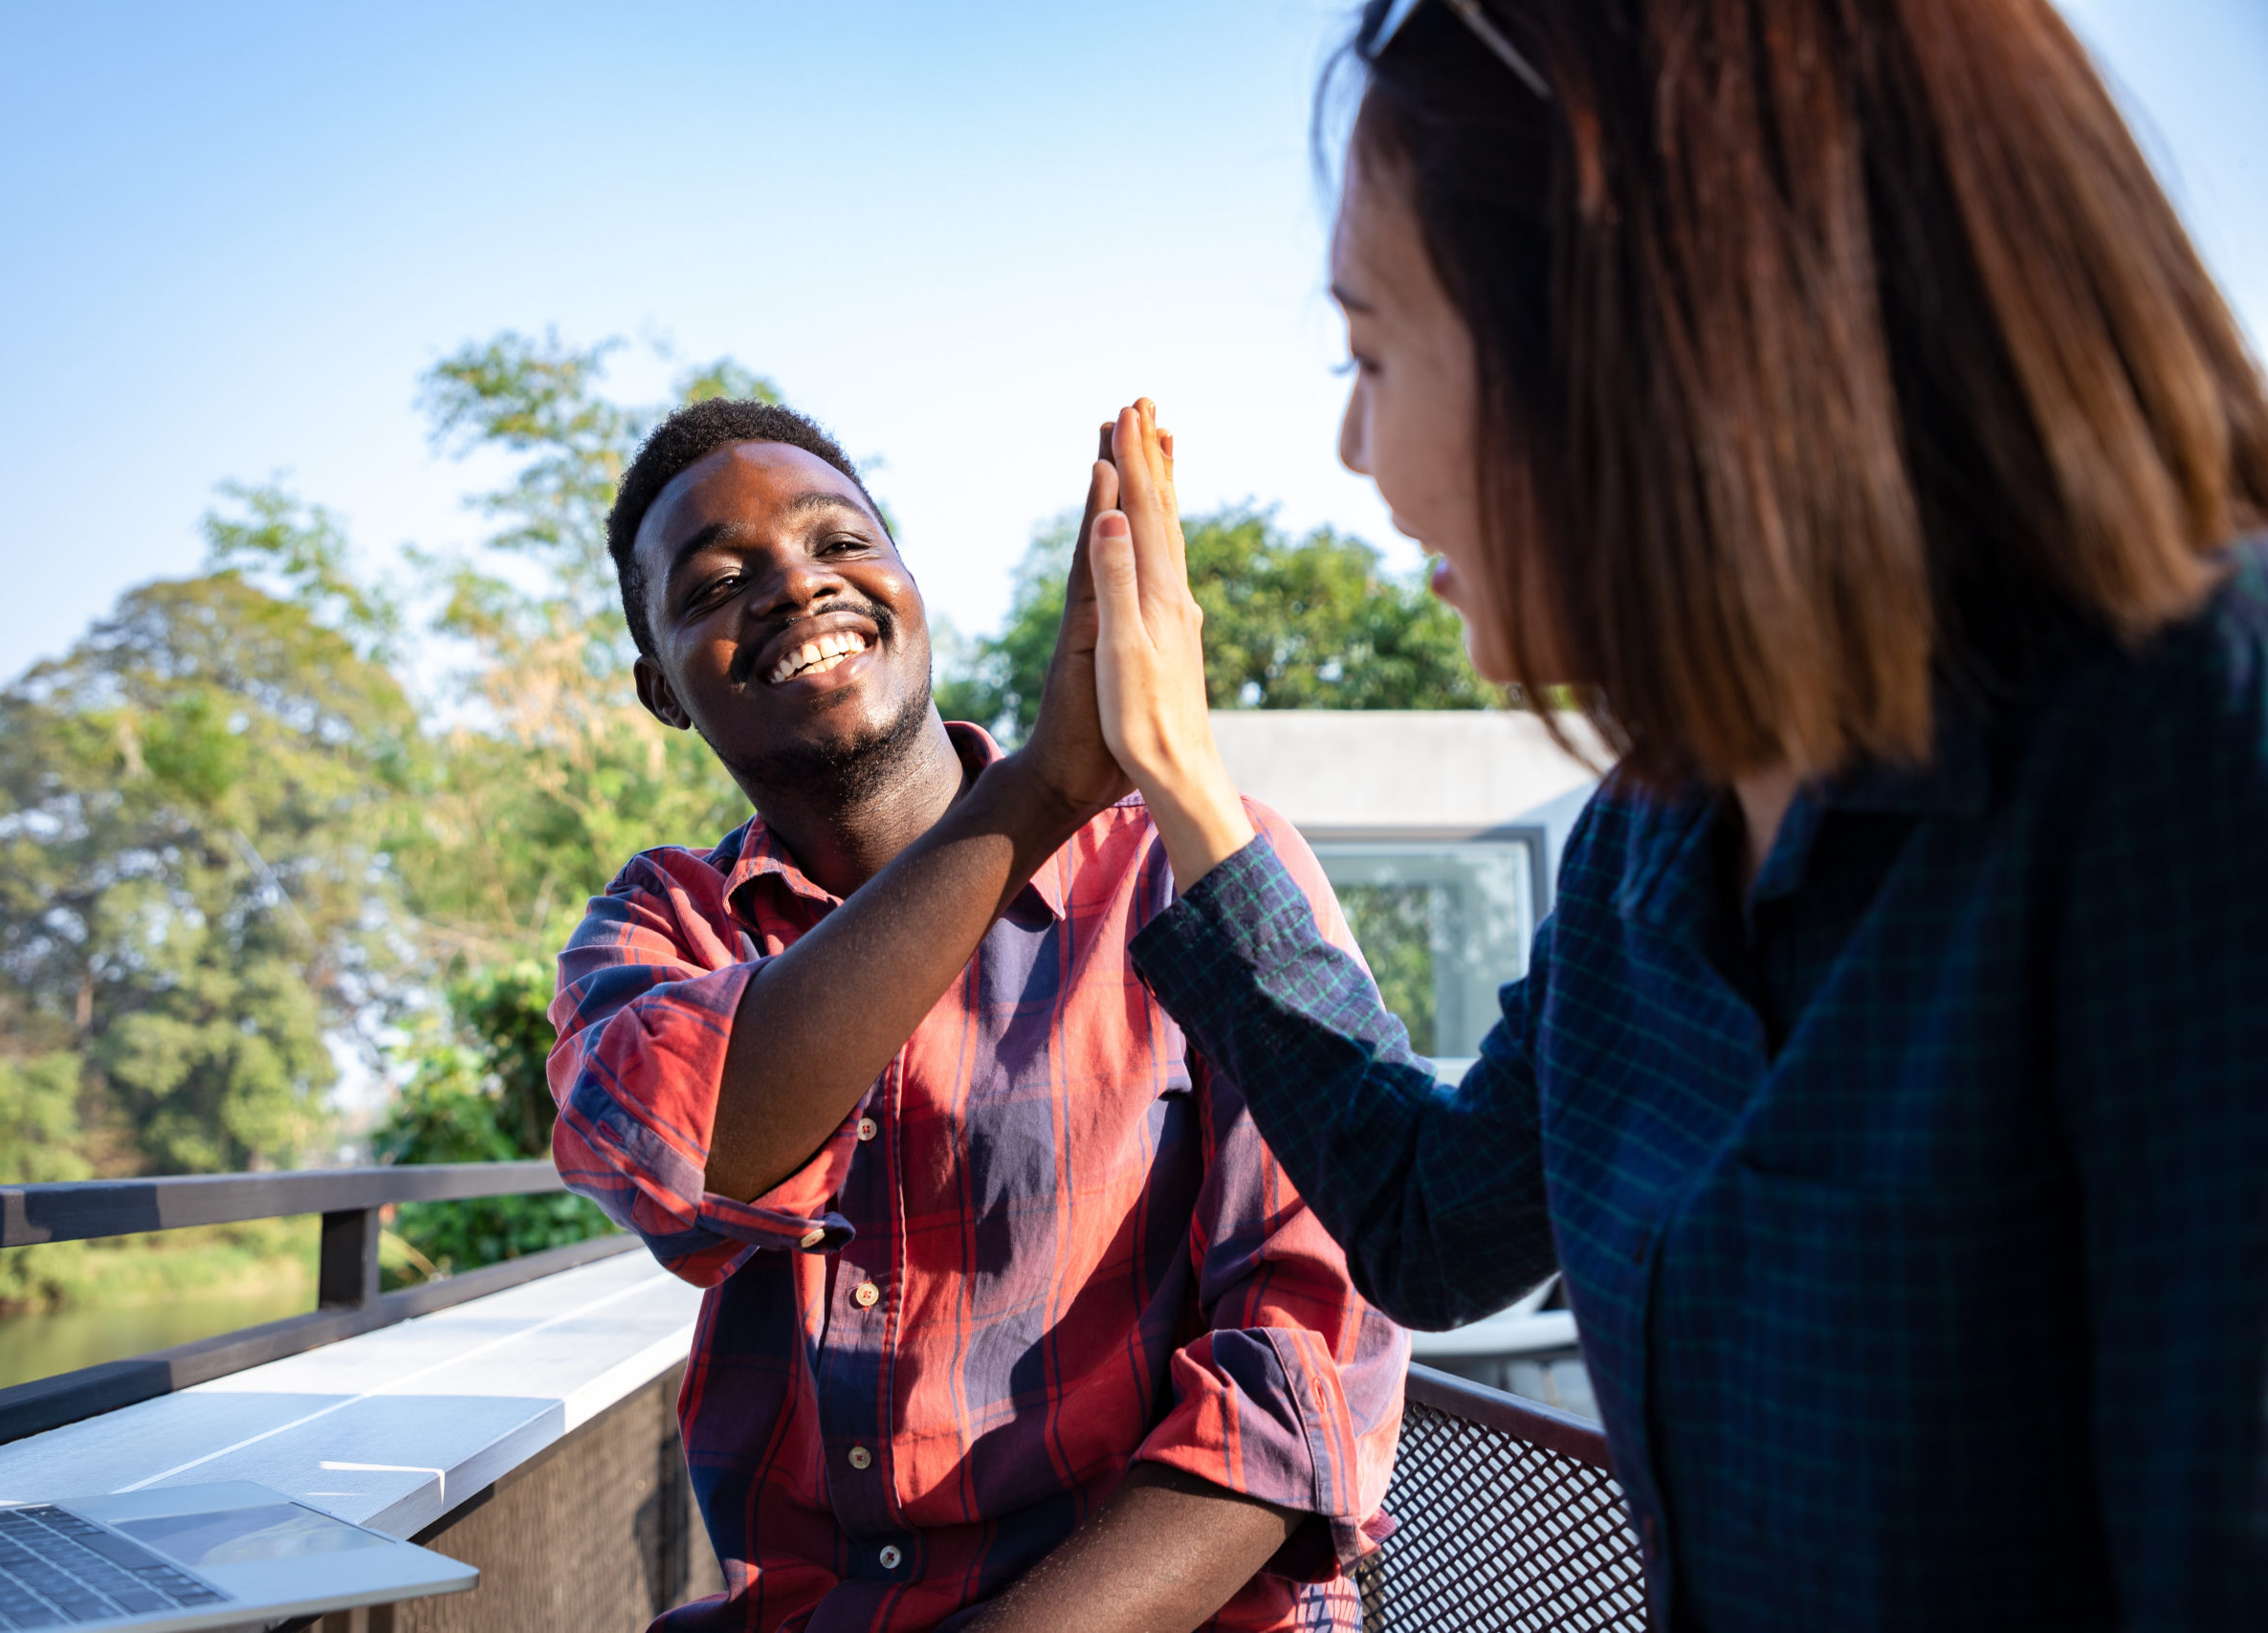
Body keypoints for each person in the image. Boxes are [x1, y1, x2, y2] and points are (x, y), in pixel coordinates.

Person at [1077, 2, 2268, 1629]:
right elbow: (1432, 1223)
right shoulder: (1658, 829)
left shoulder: (2192, 749)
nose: (1356, 449)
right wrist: (1182, 783)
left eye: (1368, 351)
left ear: (1630, 343)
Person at [544, 396, 1406, 1633]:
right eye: (718, 581)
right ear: (661, 689)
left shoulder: (1193, 867)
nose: (796, 586)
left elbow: (1301, 1383)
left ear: (908, 586)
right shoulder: (658, 926)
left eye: (841, 542)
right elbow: (703, 1151)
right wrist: (1041, 790)